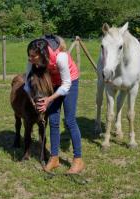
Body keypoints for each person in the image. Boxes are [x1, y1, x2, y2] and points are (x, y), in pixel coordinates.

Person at [24, 35, 85, 174]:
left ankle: (78, 160)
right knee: (53, 120)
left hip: (70, 82)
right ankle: (55, 158)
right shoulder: (32, 61)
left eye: (33, 56)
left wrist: (49, 99)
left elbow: (66, 85)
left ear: (42, 54)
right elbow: (26, 85)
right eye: (29, 55)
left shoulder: (61, 57)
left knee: (69, 121)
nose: (30, 59)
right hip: (54, 83)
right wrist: (33, 100)